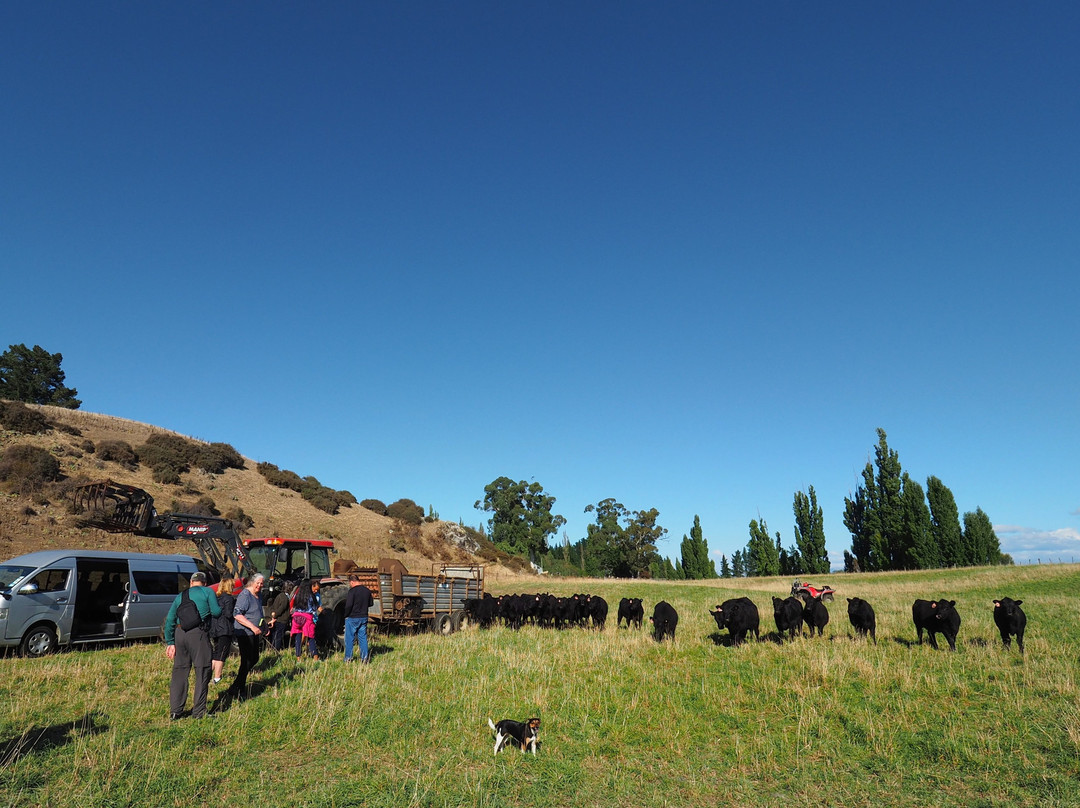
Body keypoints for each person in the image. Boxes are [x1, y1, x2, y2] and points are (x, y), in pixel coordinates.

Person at [163, 571, 222, 720]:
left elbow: (170, 619)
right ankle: (199, 711)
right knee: (203, 670)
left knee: (180, 671)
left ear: (191, 583)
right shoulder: (208, 591)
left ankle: (176, 711)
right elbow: (216, 612)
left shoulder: (180, 596)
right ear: (205, 583)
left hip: (179, 634)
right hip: (198, 634)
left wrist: (170, 642)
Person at [228, 573, 265, 700]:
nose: (260, 586)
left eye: (261, 583)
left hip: (254, 632)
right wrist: (252, 626)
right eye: (258, 583)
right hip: (244, 632)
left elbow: (258, 612)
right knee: (246, 660)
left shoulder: (258, 595)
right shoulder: (245, 595)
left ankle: (236, 685)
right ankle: (240, 690)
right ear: (252, 582)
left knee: (254, 658)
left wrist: (263, 625)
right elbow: (237, 614)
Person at [210, 575, 237, 684]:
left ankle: (207, 675)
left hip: (215, 628)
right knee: (222, 654)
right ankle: (217, 677)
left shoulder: (216, 598)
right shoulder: (229, 598)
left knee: (216, 653)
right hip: (225, 629)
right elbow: (228, 613)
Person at [342, 574, 374, 664]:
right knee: (363, 638)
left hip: (352, 618)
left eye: (350, 583)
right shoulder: (367, 591)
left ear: (352, 582)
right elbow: (371, 603)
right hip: (363, 617)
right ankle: (364, 658)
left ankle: (348, 658)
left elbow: (348, 605)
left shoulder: (352, 591)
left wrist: (345, 615)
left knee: (349, 639)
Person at [290, 578, 322, 661]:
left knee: (298, 638)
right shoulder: (311, 597)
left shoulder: (298, 595)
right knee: (310, 637)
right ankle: (315, 657)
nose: (315, 591)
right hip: (307, 618)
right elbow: (315, 608)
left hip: (296, 617)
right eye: (315, 589)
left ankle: (298, 658)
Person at [264, 580, 294, 651]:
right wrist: (275, 614)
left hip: (277, 619)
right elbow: (281, 608)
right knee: (278, 636)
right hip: (281, 620)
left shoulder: (280, 596)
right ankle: (276, 650)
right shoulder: (285, 598)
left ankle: (272, 649)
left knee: (275, 635)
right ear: (289, 589)